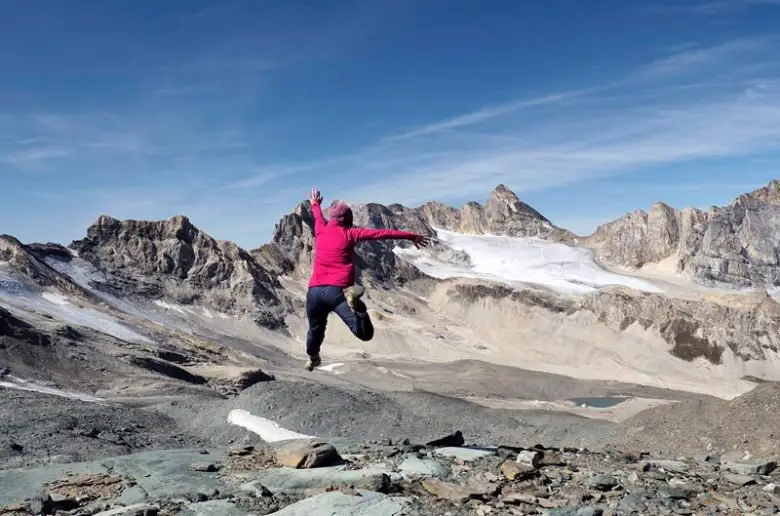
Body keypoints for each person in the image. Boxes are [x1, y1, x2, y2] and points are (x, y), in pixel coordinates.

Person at [304, 187, 431, 371]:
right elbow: (382, 234)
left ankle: (312, 357)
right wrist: (411, 236)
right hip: (338, 292)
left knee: (315, 330)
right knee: (364, 334)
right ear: (348, 220)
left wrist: (315, 203)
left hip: (314, 292)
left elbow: (316, 214)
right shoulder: (351, 233)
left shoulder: (320, 228)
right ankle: (359, 308)